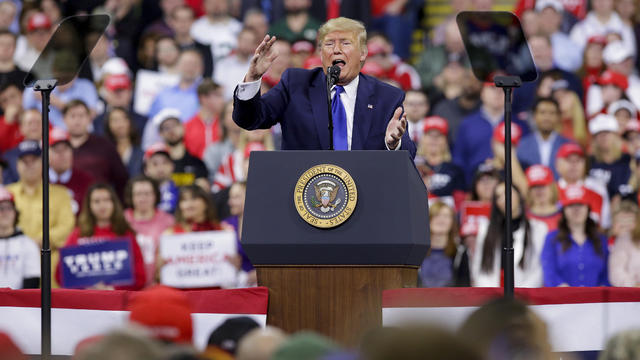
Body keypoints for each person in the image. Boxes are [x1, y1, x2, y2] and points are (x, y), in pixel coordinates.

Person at [233, 17, 415, 158]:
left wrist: (393, 145)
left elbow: (409, 154)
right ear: (321, 53)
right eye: (328, 44)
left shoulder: (387, 97)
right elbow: (250, 119)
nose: (336, 50)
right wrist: (253, 78)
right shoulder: (295, 84)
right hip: (304, 196)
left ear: (363, 53)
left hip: (364, 196)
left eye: (345, 43)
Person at [7, 140, 74, 288]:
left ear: (44, 162)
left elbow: (67, 227)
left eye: (34, 160)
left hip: (50, 269)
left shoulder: (61, 194)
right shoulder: (6, 194)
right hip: (12, 268)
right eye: (24, 161)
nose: (29, 165)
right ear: (17, 165)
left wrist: (38, 241)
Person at [57, 183, 146, 290]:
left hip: (118, 301)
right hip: (85, 301)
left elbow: (140, 277)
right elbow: (60, 275)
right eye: (96, 201)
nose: (102, 205)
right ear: (89, 205)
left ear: (114, 203)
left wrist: (113, 288)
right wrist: (86, 287)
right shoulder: (78, 234)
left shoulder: (126, 234)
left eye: (106, 200)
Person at [471, 182, 547, 287]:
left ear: (519, 195)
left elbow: (539, 268)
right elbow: (478, 267)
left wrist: (522, 294)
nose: (504, 199)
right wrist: (490, 294)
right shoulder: (485, 229)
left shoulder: (538, 229)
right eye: (498, 197)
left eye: (507, 192)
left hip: (527, 294)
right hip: (492, 294)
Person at [541, 184, 610, 286]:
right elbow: (549, 273)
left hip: (595, 300)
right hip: (563, 299)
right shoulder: (552, 239)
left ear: (588, 208)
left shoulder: (601, 239)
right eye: (571, 205)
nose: (576, 209)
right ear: (563, 210)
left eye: (580, 204)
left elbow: (606, 275)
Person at [63, 99, 129, 198]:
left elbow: (121, 179)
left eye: (81, 116)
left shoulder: (104, 145)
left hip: (99, 206)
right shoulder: (57, 148)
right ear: (64, 119)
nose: (77, 121)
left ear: (89, 118)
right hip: (66, 205)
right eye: (72, 116)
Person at [124, 175, 175, 287]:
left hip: (160, 285)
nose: (143, 198)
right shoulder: (122, 220)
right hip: (128, 287)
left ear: (155, 195)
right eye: (138, 194)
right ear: (131, 197)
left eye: (147, 194)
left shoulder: (169, 221)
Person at [419, 202, 470, 287]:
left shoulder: (460, 252)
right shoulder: (417, 251)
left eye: (446, 216)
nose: (441, 220)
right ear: (428, 220)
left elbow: (465, 286)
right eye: (436, 215)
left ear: (452, 222)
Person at [516, 97, 571, 177]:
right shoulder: (521, 145)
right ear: (534, 116)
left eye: (552, 113)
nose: (547, 117)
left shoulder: (568, 145)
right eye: (542, 112)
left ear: (559, 117)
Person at [0, 185, 39, 289]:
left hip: (16, 303)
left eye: (9, 208)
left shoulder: (27, 244)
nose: (5, 213)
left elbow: (32, 282)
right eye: (0, 208)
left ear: (15, 212)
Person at [48, 128, 94, 216]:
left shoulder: (86, 181)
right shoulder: (38, 180)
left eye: (65, 149)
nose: (62, 154)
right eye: (56, 150)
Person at [588, 114, 631, 198]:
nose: (603, 137)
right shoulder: (589, 162)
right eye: (599, 134)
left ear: (615, 135)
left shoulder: (627, 160)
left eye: (607, 133)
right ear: (594, 139)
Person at [184, 79, 225, 159]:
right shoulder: (187, 127)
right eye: (218, 95)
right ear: (204, 98)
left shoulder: (226, 124)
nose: (222, 101)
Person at [104, 107, 144, 177]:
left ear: (130, 122)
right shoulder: (105, 152)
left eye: (124, 119)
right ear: (108, 125)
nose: (120, 124)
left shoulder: (141, 152)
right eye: (115, 120)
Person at [609, 200, 640, 287]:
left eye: (630, 221)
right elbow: (616, 273)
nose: (626, 227)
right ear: (613, 222)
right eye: (622, 222)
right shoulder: (603, 242)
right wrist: (634, 284)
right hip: (627, 294)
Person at [143, 143, 179, 214]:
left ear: (172, 166)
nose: (160, 168)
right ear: (146, 170)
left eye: (165, 162)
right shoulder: (140, 195)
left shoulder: (182, 192)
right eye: (155, 164)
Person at [525, 165, 562, 232]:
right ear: (529, 190)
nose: (539, 190)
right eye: (534, 186)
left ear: (552, 187)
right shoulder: (523, 216)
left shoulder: (564, 214)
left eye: (543, 185)